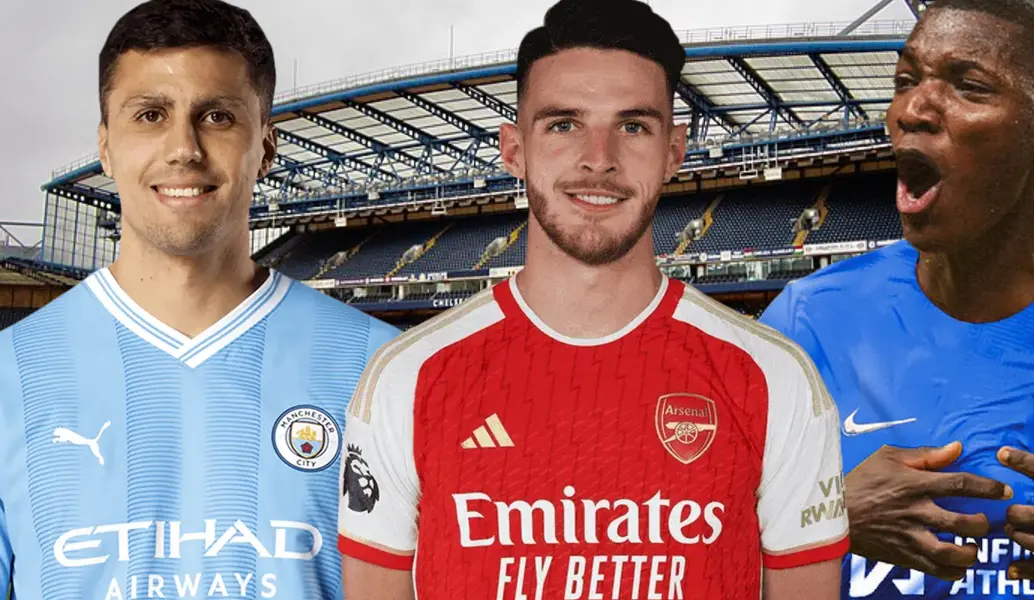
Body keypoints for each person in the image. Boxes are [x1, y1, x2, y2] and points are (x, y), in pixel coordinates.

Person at [335, 1, 849, 598]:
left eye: (633, 126)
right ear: (514, 150)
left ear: (675, 151)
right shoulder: (407, 378)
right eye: (563, 124)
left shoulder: (775, 379)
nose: (599, 157)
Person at [759, 0, 1034, 598]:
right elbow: (669, 529)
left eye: (969, 87)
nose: (912, 109)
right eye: (906, 81)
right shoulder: (807, 322)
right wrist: (823, 518)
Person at [0, 1, 398, 598]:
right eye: (150, 115)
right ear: (106, 147)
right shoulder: (11, 375)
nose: (183, 147)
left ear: (265, 146)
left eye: (216, 116)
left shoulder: (384, 371)